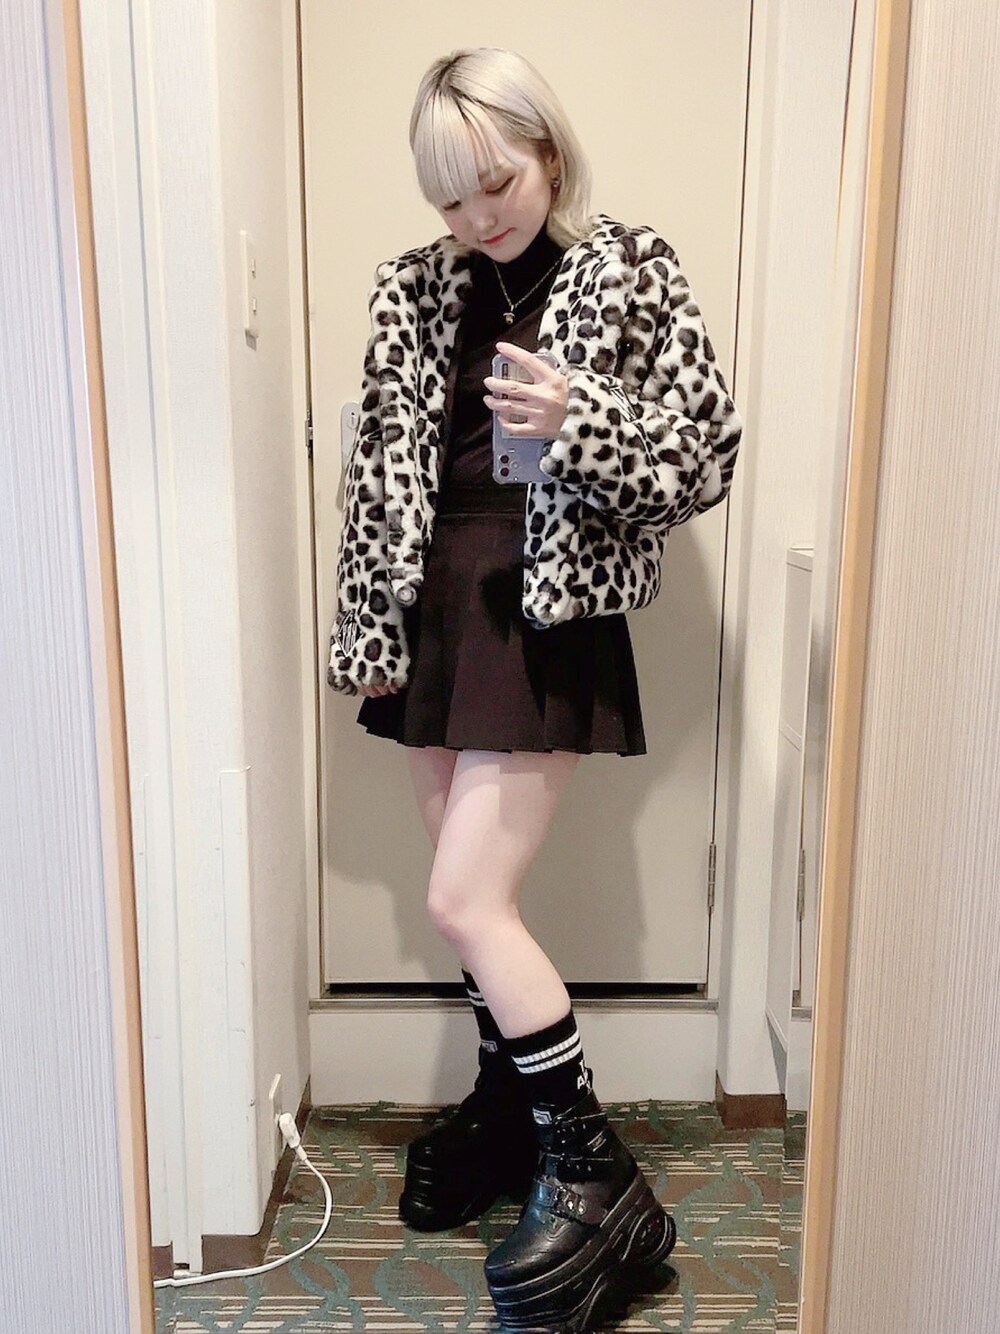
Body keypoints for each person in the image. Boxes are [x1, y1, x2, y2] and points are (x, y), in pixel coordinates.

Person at [328, 46, 743, 1334]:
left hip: (542, 608)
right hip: (435, 606)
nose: (474, 218)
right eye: (448, 197)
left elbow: (708, 454)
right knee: (469, 908)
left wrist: (584, 420)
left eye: (495, 183)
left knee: (464, 897)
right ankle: (510, 1108)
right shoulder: (413, 288)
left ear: (548, 151)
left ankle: (591, 1169)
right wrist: (368, 625)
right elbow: (373, 471)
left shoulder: (632, 268)